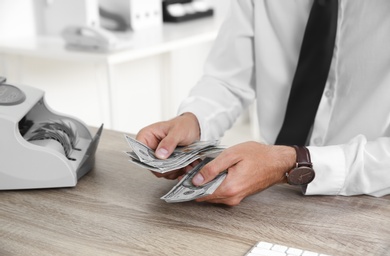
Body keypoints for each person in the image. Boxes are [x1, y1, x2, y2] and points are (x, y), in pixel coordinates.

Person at [136, 0, 390, 206]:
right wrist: (194, 120)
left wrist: (289, 163)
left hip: (371, 199)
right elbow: (228, 78)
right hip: (273, 197)